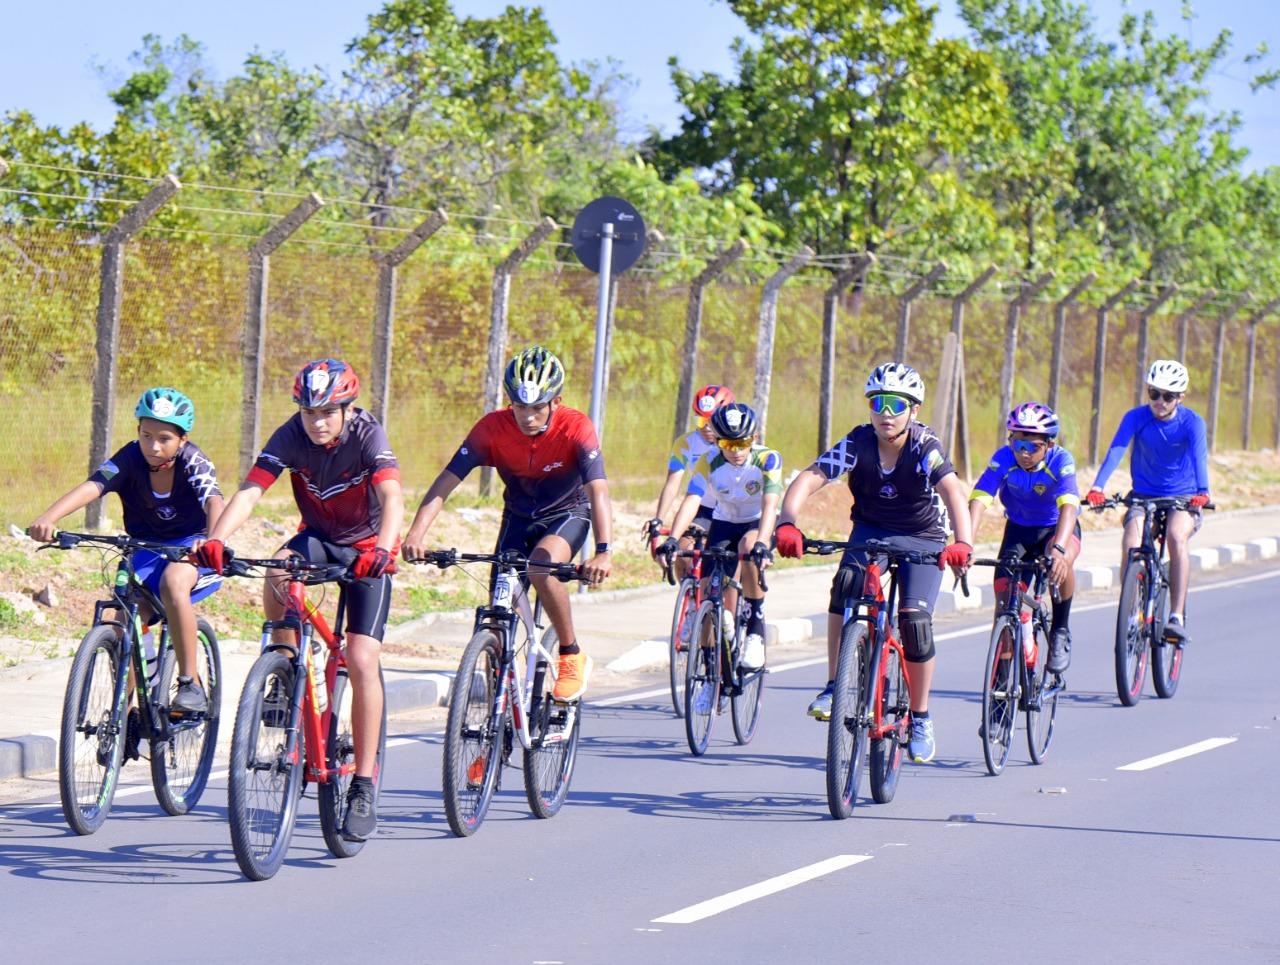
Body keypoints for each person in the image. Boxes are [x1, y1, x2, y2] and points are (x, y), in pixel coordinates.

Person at [196, 359, 403, 842]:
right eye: (310, 412)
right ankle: (286, 665)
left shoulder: (368, 435)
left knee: (361, 655)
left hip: (367, 550)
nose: (318, 421)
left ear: (346, 409)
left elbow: (392, 497)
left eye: (328, 411)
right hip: (318, 538)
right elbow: (251, 491)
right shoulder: (290, 435)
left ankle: (365, 784)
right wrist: (217, 540)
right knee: (275, 572)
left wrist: (386, 551)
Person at [774, 363, 972, 764]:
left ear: (913, 410)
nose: (886, 412)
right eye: (878, 402)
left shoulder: (924, 446)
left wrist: (962, 542)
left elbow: (952, 489)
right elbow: (812, 476)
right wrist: (787, 522)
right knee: (846, 586)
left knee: (915, 620)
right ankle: (835, 685)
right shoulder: (859, 443)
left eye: (896, 404)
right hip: (872, 530)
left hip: (923, 535)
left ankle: (919, 717)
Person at [401, 345, 612, 705]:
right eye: (519, 406)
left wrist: (604, 551)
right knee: (500, 599)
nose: (527, 416)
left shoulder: (576, 427)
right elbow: (446, 481)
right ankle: (501, 693)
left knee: (541, 566)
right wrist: (416, 534)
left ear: (555, 401)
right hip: (518, 516)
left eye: (537, 407)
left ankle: (570, 653)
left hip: (567, 513)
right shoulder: (492, 428)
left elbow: (598, 489)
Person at [29, 387, 224, 718]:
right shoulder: (130, 457)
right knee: (125, 619)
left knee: (175, 583)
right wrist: (50, 517)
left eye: (164, 438)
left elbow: (213, 501)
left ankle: (190, 682)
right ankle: (130, 711)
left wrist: (213, 539)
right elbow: (94, 486)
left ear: (182, 439)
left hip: (193, 548)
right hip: (146, 548)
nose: (153, 446)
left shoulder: (195, 462)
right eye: (146, 435)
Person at [1085, 359, 1210, 645]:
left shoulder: (1192, 422)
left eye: (1168, 396)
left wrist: (1203, 491)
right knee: (1131, 539)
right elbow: (1116, 450)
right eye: (1154, 393)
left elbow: (1199, 458)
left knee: (1177, 537)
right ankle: (1132, 606)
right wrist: (1097, 486)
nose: (1160, 402)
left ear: (1180, 397)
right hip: (1143, 495)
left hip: (1183, 497)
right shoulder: (1135, 417)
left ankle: (1176, 616)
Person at [660, 402, 780, 682]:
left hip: (756, 521)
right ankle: (709, 671)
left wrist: (763, 541)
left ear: (756, 438)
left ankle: (754, 629)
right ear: (717, 440)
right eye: (728, 443)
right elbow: (692, 500)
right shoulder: (709, 459)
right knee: (707, 591)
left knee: (749, 549)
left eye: (743, 443)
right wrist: (673, 539)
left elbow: (770, 502)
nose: (736, 451)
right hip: (724, 522)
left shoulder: (768, 459)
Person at [968, 402, 1081, 674]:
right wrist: (965, 542)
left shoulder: (1061, 460)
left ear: (1049, 444)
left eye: (1031, 447)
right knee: (1004, 597)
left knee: (1062, 563)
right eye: (1017, 443)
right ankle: (1002, 676)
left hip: (1057, 528)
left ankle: (1060, 631)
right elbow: (980, 497)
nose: (1023, 453)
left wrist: (1059, 548)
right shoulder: (1004, 458)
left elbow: (1069, 506)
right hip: (1018, 529)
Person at [643, 384, 735, 577]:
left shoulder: (737, 445)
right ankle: (691, 598)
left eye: (711, 421)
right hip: (703, 509)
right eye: (700, 420)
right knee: (683, 553)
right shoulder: (685, 443)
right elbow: (672, 483)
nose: (706, 428)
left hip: (735, 510)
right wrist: (658, 519)